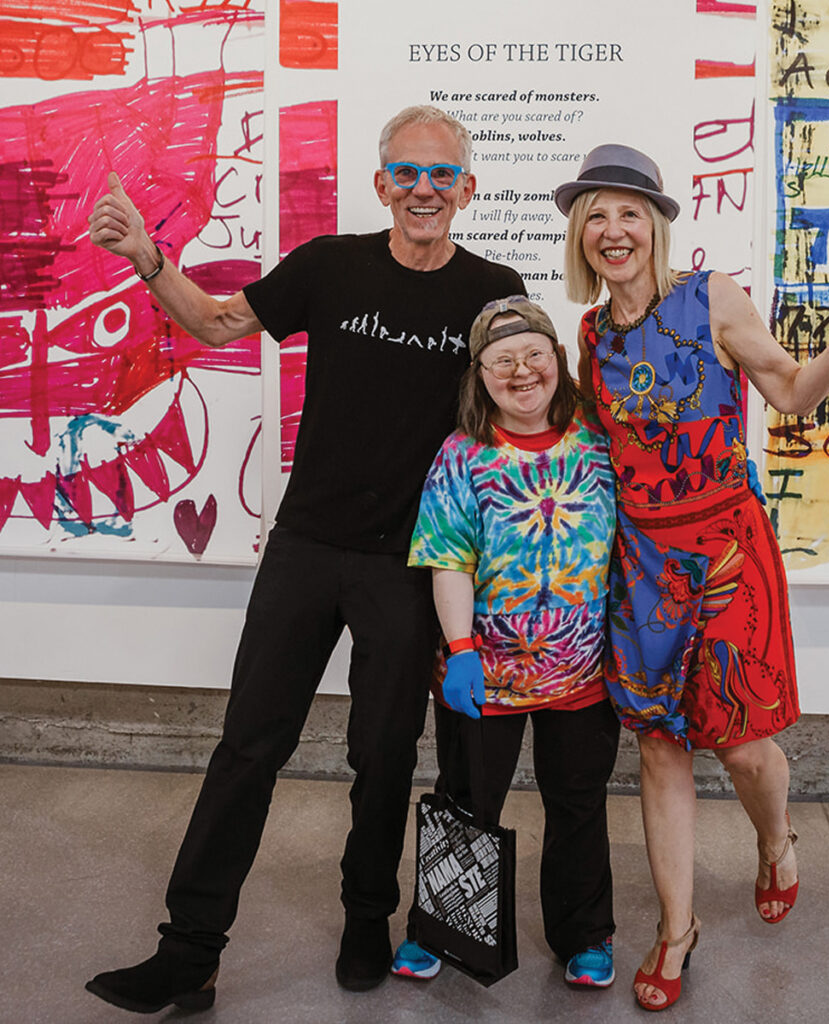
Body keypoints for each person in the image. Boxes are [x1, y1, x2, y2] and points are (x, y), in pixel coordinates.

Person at [83, 105, 524, 1013]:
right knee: (249, 744)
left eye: (442, 175)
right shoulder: (329, 265)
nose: (423, 191)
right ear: (381, 184)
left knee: (383, 755)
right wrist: (146, 259)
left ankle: (369, 917)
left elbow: (523, 407)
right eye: (406, 172)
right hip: (307, 548)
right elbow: (213, 325)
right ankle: (191, 948)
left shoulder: (493, 291)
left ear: (468, 189)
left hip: (410, 563)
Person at [554, 145, 829, 1011]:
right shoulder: (591, 335)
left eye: (630, 212)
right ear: (580, 235)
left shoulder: (712, 298)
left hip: (724, 549)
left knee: (742, 743)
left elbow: (790, 393)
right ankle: (678, 929)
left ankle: (776, 836)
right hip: (640, 566)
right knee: (658, 745)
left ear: (657, 225)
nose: (614, 230)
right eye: (596, 215)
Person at [393, 295, 621, 988]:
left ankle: (584, 934)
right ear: (480, 374)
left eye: (534, 356)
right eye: (502, 361)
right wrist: (460, 650)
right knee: (466, 802)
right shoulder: (464, 455)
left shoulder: (599, 438)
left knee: (578, 803)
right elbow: (448, 559)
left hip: (584, 674)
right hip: (484, 675)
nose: (521, 372)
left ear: (557, 362)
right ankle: (439, 930)